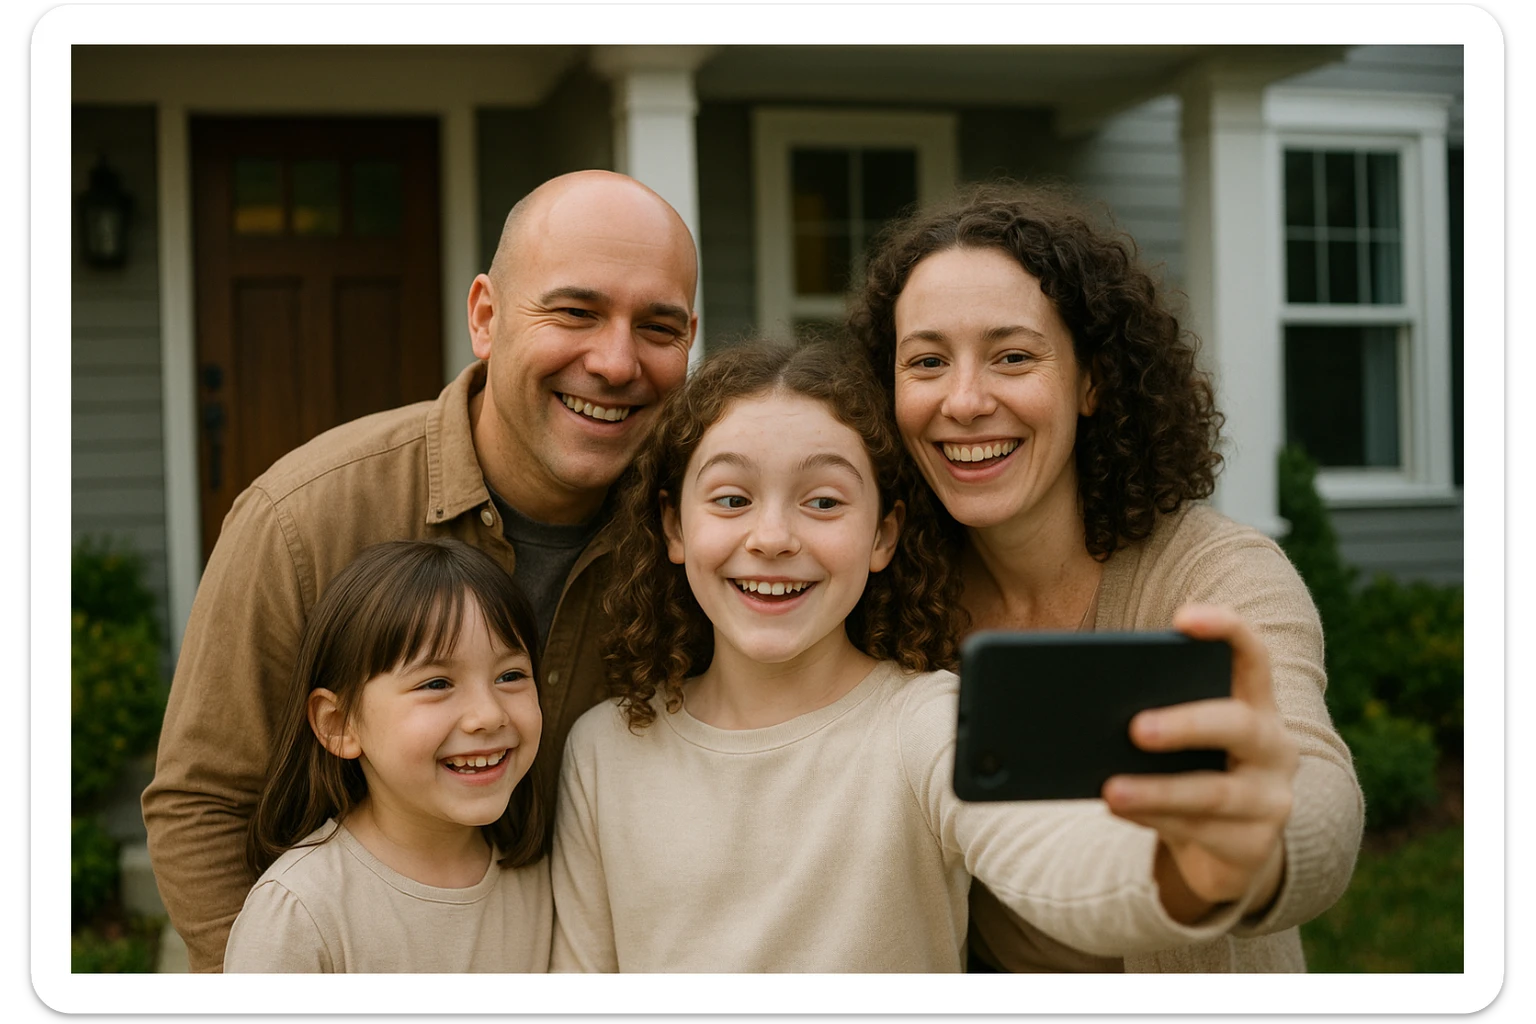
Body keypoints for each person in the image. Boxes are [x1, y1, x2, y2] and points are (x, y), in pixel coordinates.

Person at [550, 340, 1291, 973]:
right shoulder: (605, 751)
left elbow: (1058, 873)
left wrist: (1196, 869)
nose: (772, 537)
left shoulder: (930, 724)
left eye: (824, 502)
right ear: (674, 528)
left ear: (883, 535)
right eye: (732, 500)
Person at [142, 169, 699, 972]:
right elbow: (202, 807)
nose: (616, 362)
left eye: (658, 326)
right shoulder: (304, 519)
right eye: (575, 311)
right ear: (486, 315)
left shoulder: (704, 536)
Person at [846, 179, 1364, 972]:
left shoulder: (1213, 573)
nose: (964, 399)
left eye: (1013, 356)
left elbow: (1314, 795)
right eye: (926, 361)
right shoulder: (878, 583)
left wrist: (1254, 841)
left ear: (1092, 381)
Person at [223, 539, 550, 972]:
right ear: (339, 724)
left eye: (510, 676)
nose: (488, 715)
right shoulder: (299, 911)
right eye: (436, 684)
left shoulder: (538, 878)